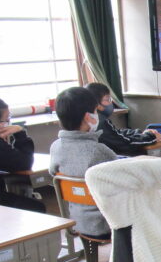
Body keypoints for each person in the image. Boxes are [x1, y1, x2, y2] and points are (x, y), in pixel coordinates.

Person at [48, 86, 117, 238]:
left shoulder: (56, 147)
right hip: (107, 222)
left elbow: (53, 173)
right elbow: (123, 181)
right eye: (95, 111)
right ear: (88, 117)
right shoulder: (98, 151)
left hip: (77, 221)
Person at [85, 82, 161, 156]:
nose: (111, 103)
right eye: (108, 99)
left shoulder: (88, 119)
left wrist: (138, 133)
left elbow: (116, 134)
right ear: (96, 103)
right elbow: (126, 144)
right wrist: (152, 137)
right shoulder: (100, 121)